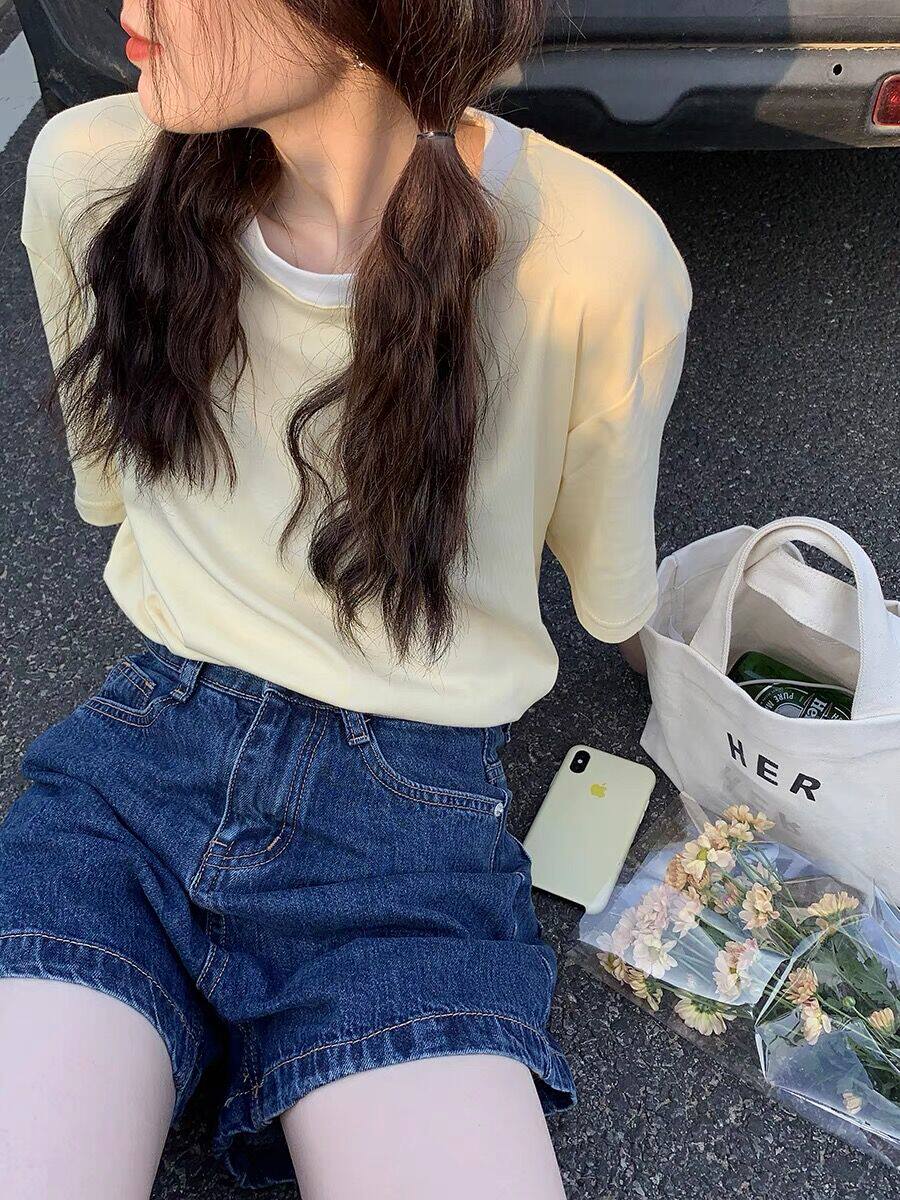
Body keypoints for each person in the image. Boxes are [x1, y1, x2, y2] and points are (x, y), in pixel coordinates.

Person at [0, 0, 691, 1196]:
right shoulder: (86, 171)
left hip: (404, 847)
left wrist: (724, 700)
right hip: (136, 782)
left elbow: (619, 598)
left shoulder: (601, 259)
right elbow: (611, 587)